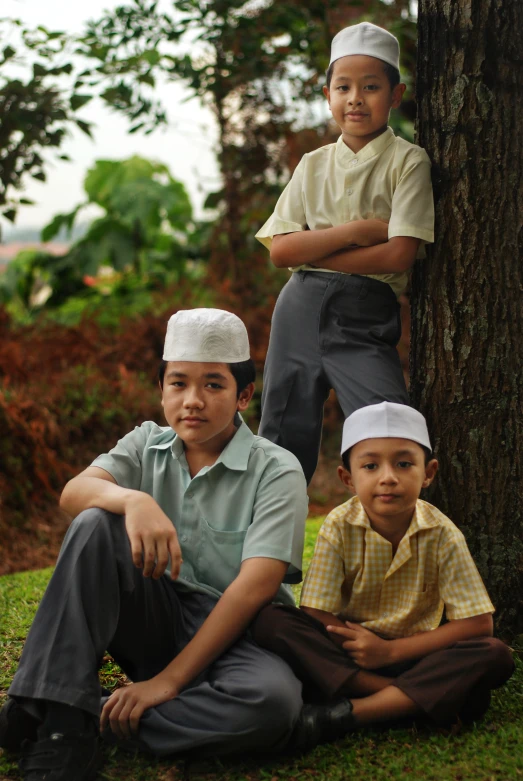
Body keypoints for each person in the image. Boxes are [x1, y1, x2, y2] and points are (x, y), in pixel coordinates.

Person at [0, 308, 309, 781]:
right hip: (152, 616)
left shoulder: (277, 469)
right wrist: (133, 499)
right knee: (95, 524)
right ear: (161, 389)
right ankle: (63, 730)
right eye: (178, 383)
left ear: (244, 394)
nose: (193, 401)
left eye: (213, 385)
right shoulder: (147, 443)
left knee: (273, 705)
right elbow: (73, 493)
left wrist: (167, 683)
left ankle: (78, 714)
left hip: (237, 635)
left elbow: (254, 589)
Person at [252, 402, 514, 748]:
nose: (388, 477)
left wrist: (389, 653)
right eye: (371, 465)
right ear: (347, 477)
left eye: (404, 464)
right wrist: (364, 649)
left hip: (414, 660)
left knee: (494, 654)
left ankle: (350, 713)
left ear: (429, 472)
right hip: (348, 656)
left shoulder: (442, 533)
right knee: (270, 619)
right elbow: (315, 612)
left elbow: (479, 625)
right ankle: (410, 702)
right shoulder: (339, 526)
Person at [255, 22, 435, 483]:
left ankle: (389, 549)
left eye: (371, 87)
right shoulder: (313, 165)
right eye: (344, 87)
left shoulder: (408, 162)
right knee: (281, 441)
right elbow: (280, 251)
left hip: (365, 316)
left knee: (390, 430)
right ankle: (272, 555)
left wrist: (312, 251)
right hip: (298, 311)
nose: (356, 98)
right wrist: (355, 232)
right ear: (327, 93)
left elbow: (398, 256)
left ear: (395, 96)